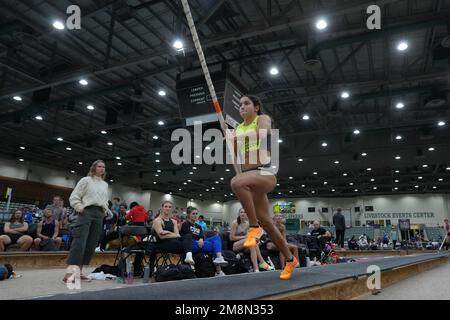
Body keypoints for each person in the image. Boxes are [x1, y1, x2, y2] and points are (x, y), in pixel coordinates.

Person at [227, 94, 298, 280]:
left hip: (265, 172)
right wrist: (230, 140)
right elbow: (234, 155)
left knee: (236, 181)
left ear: (256, 107)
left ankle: (253, 226)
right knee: (268, 222)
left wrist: (237, 136)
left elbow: (263, 133)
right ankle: (290, 260)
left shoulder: (262, 119)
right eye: (240, 104)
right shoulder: (238, 128)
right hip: (250, 177)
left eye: (246, 103)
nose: (242, 107)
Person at [63, 160, 109, 283]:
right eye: (99, 166)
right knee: (80, 243)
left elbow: (105, 200)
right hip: (86, 212)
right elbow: (74, 196)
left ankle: (80, 272)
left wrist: (105, 211)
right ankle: (69, 274)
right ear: (94, 168)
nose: (102, 168)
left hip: (99, 214)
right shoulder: (86, 180)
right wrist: (80, 208)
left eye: (103, 167)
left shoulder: (105, 184)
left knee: (91, 244)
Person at [181, 207, 227, 276]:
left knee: (216, 238)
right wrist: (199, 240)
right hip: (191, 244)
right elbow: (187, 236)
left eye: (196, 214)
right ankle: (218, 271)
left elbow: (202, 236)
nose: (195, 215)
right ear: (188, 215)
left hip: (201, 243)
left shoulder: (199, 226)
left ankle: (219, 257)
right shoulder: (185, 224)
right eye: (193, 214)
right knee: (214, 246)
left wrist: (201, 239)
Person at [230, 208, 273, 272]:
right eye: (241, 212)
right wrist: (245, 237)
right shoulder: (235, 223)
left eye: (245, 212)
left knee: (252, 244)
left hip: (245, 244)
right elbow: (231, 238)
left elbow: (254, 233)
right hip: (235, 245)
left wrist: (257, 239)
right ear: (239, 214)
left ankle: (256, 269)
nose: (243, 214)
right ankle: (262, 262)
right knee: (251, 241)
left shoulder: (247, 223)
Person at [152, 201, 194, 265]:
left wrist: (167, 232)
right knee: (187, 247)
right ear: (162, 208)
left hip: (173, 242)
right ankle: (187, 266)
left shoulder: (174, 221)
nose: (168, 208)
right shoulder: (157, 220)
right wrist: (174, 234)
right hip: (161, 243)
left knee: (188, 236)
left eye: (169, 207)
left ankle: (188, 258)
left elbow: (178, 235)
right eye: (166, 206)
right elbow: (162, 236)